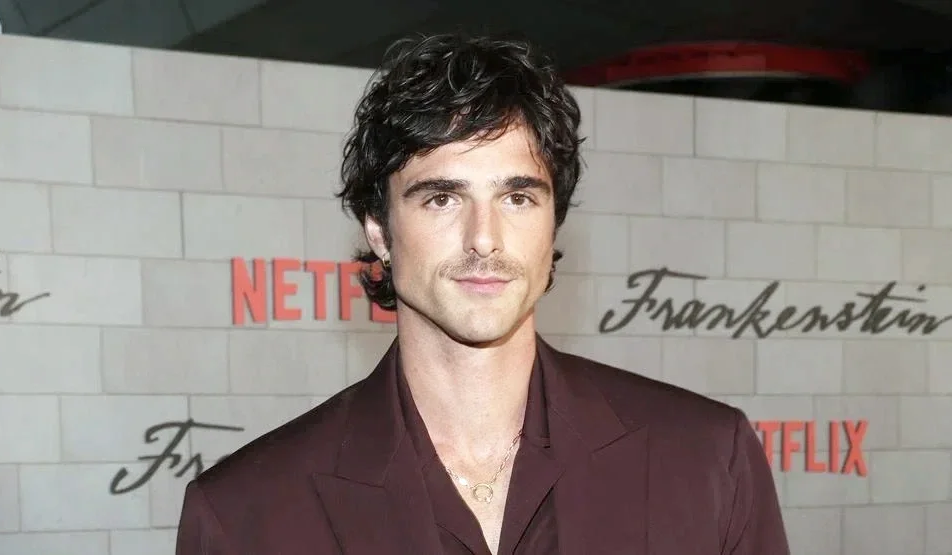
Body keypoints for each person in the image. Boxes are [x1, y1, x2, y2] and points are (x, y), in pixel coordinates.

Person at [175, 33, 790, 555]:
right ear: (378, 229)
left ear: (553, 224)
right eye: (442, 197)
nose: (485, 239)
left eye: (518, 197)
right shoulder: (244, 514)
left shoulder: (709, 460)